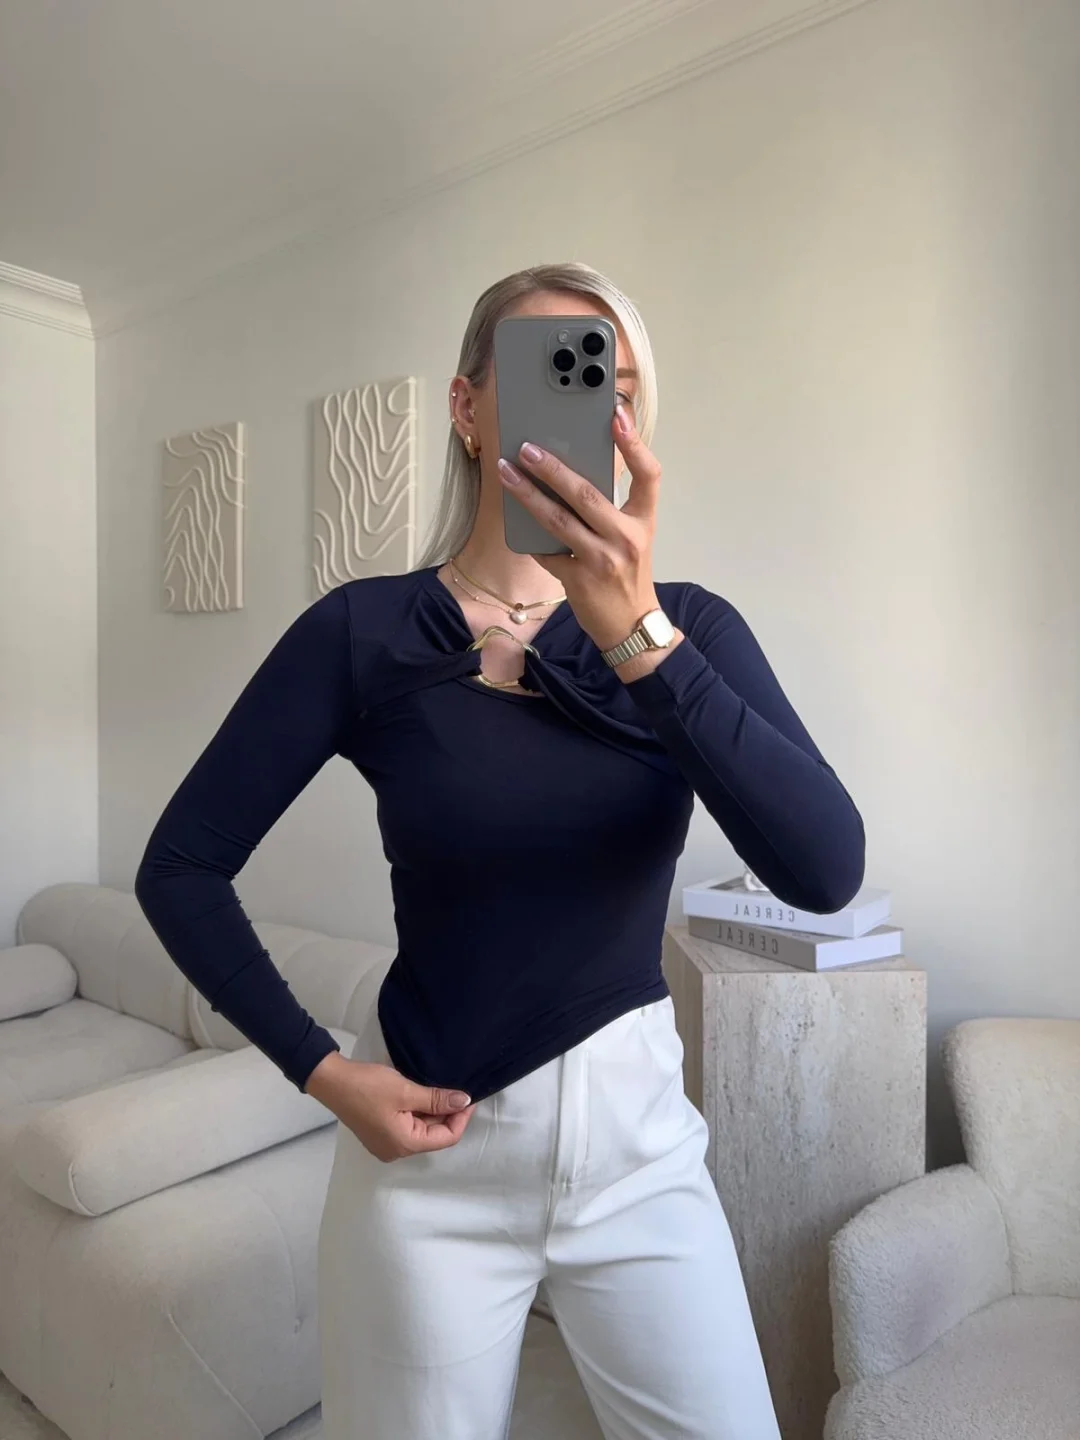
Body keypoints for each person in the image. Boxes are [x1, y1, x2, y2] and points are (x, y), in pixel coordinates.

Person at [134, 261, 865, 1440]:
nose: (586, 405)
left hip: (642, 1160)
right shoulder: (362, 631)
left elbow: (826, 871)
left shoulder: (690, 628)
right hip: (429, 1174)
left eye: (611, 384)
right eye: (549, 372)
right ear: (468, 408)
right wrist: (320, 1070)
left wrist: (637, 636)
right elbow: (180, 867)